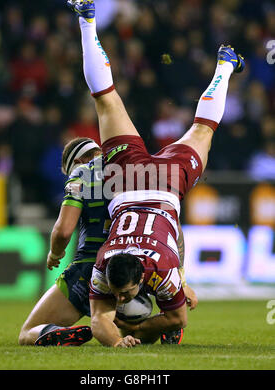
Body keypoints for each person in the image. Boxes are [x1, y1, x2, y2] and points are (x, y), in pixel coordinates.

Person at [67, 0, 245, 348]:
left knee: (202, 127)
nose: (120, 299)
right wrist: (174, 290)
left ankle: (224, 66)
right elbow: (176, 308)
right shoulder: (117, 263)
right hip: (126, 180)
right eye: (123, 295)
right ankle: (87, 22)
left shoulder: (113, 267)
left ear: (139, 277)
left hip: (159, 185)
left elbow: (102, 320)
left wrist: (124, 335)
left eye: (124, 293)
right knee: (105, 98)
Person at [19, 136, 110, 346]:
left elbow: (63, 231)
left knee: (27, 333)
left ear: (76, 163)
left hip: (90, 268)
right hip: (134, 264)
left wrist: (55, 253)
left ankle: (56, 332)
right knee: (132, 330)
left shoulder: (81, 173)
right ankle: (162, 324)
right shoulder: (132, 169)